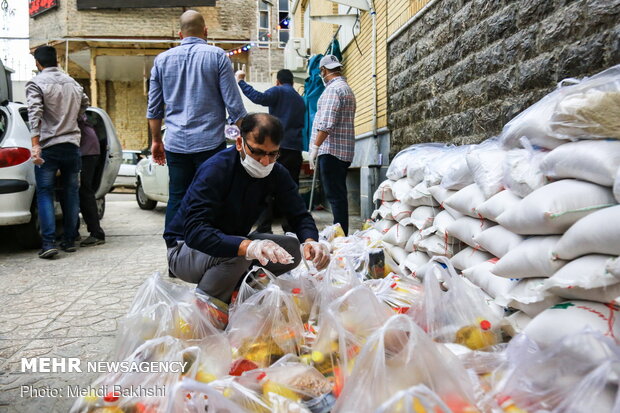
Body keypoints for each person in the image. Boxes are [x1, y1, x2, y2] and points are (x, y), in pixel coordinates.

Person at [164, 113, 330, 314]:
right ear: (240, 143)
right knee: (238, 253)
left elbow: (299, 214)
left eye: (273, 154)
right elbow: (195, 231)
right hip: (185, 249)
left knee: (291, 249)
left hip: (230, 240)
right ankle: (205, 311)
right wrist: (247, 246)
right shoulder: (216, 170)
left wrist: (311, 241)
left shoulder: (276, 172)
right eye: (257, 152)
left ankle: (237, 287)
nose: (265, 162)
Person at [147, 10, 247, 229]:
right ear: (206, 31)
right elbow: (234, 105)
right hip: (210, 143)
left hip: (175, 144)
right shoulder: (217, 56)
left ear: (180, 35)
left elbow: (154, 108)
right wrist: (248, 136)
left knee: (177, 197)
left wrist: (156, 141)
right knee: (211, 197)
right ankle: (209, 252)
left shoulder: (161, 60)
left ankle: (175, 250)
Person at [26, 45, 90, 259]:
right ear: (57, 61)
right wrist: (72, 119)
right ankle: (70, 240)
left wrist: (35, 144)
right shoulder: (73, 83)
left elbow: (35, 114)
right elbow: (85, 105)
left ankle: (48, 243)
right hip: (72, 145)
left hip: (48, 146)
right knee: (71, 192)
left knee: (45, 193)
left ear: (38, 63)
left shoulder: (36, 83)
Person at [235, 68, 305, 233]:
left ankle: (265, 226)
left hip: (276, 148)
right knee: (290, 188)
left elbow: (258, 97)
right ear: (292, 82)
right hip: (295, 149)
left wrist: (241, 82)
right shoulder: (299, 99)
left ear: (278, 81)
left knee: (266, 185)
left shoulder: (278, 91)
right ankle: (290, 226)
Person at [309, 55, 356, 235]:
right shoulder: (346, 89)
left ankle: (341, 234)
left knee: (335, 197)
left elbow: (327, 123)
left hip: (331, 150)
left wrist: (315, 147)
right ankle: (341, 231)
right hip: (343, 150)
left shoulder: (332, 90)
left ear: (323, 70)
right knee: (338, 195)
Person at [76, 114, 105, 247]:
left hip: (86, 150)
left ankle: (96, 233)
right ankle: (73, 231)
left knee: (84, 191)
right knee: (82, 191)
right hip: (88, 148)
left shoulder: (69, 99)